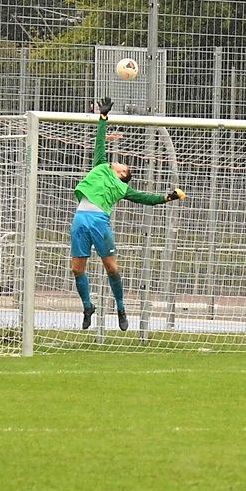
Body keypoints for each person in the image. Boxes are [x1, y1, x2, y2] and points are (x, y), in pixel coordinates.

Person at [71, 96, 186, 331]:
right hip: (80, 219)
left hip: (99, 222)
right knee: (76, 269)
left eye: (123, 167)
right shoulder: (100, 166)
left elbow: (146, 198)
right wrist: (103, 117)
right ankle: (88, 306)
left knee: (112, 268)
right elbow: (100, 143)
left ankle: (121, 308)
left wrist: (168, 197)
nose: (118, 163)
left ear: (122, 175)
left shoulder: (122, 188)